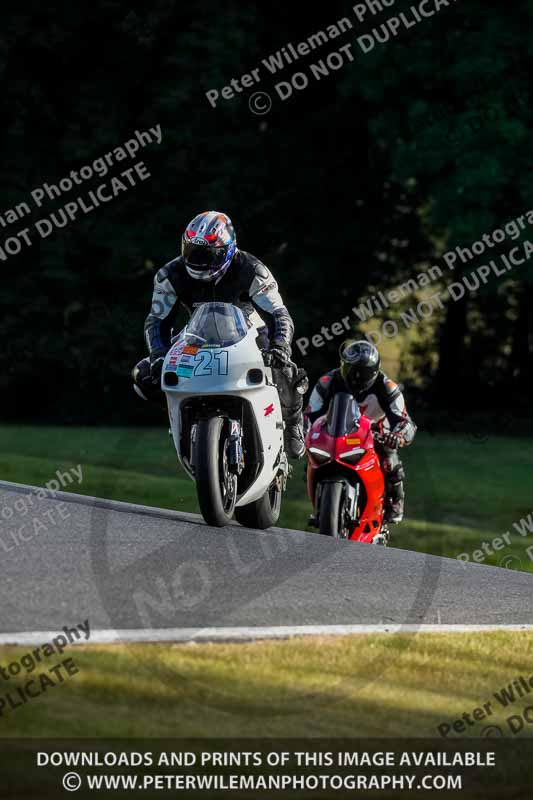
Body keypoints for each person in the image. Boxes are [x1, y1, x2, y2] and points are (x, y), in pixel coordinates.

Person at [132, 210, 306, 458]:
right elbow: (157, 322)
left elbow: (279, 314)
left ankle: (292, 424)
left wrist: (280, 346)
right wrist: (159, 356)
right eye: (192, 252)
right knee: (144, 375)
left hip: (249, 332)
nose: (198, 261)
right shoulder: (169, 275)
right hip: (197, 338)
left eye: (207, 254)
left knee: (284, 368)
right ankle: (186, 414)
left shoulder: (252, 269)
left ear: (228, 249)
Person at [304, 340, 417, 523]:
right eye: (351, 369)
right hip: (334, 431)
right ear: (343, 365)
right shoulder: (328, 382)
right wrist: (304, 432)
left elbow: (405, 421)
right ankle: (320, 501)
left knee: (390, 459)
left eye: (362, 372)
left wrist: (397, 436)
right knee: (314, 457)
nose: (356, 376)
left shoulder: (388, 388)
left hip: (374, 434)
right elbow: (310, 413)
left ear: (374, 371)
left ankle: (396, 501)